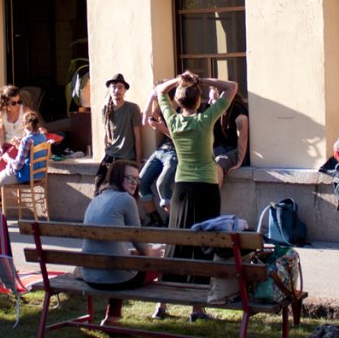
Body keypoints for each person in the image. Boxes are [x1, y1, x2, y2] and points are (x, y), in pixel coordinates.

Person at [146, 71, 238, 322]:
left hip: (182, 188)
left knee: (176, 242)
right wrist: (202, 80)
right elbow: (231, 87)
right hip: (206, 186)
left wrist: (179, 81)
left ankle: (162, 304)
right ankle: (197, 309)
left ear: (179, 100)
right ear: (198, 101)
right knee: (204, 245)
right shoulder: (206, 119)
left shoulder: (172, 120)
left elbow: (158, 92)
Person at [81, 160, 163, 327]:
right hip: (115, 278)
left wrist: (137, 252)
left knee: (122, 264)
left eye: (136, 179)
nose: (134, 183)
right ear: (118, 177)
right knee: (160, 262)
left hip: (89, 276)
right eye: (129, 178)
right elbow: (139, 242)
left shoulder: (96, 199)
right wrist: (150, 253)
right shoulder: (126, 199)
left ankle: (112, 318)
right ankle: (162, 308)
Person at [137, 86, 178, 227]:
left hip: (175, 151)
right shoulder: (161, 108)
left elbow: (182, 139)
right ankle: (155, 218)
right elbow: (144, 121)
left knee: (163, 183)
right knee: (141, 182)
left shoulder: (182, 110)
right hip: (160, 151)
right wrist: (150, 98)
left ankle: (173, 220)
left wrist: (162, 129)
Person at [97, 73, 143, 181]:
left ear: (125, 90)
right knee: (99, 185)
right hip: (110, 155)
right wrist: (106, 152)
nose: (116, 90)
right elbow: (106, 134)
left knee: (122, 187)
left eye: (120, 87)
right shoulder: (105, 109)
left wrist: (138, 161)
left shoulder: (132, 108)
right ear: (109, 89)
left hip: (126, 157)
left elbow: (138, 136)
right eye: (113, 87)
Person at [0, 85, 29, 179]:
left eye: (19, 102)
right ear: (6, 102)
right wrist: (0, 147)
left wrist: (21, 140)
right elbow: (1, 134)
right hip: (5, 143)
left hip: (18, 144)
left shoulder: (24, 110)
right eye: (13, 103)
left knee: (0, 164)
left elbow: (32, 129)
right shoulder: (1, 114)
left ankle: (2, 191)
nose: (17, 105)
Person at [211, 90, 250, 178]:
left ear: (222, 101)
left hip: (238, 150)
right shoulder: (217, 112)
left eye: (213, 99)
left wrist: (239, 162)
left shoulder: (239, 113)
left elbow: (242, 139)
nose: (209, 102)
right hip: (223, 148)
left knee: (218, 164)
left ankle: (215, 192)